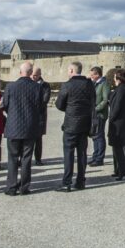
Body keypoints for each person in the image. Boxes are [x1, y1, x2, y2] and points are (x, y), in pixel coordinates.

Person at [0, 61, 46, 196]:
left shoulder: (10, 86)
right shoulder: (37, 88)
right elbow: (41, 107)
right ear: (31, 73)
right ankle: (24, 187)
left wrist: (13, 115)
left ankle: (11, 187)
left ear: (20, 72)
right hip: (30, 127)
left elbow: (5, 105)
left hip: (13, 126)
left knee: (13, 158)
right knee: (27, 158)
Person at [53, 61, 96, 192]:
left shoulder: (67, 85)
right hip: (84, 123)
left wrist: (70, 108)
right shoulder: (89, 84)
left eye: (68, 70)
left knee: (69, 153)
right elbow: (93, 103)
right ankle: (81, 181)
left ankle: (67, 182)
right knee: (82, 153)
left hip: (71, 123)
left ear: (72, 71)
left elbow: (59, 104)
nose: (67, 72)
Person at [87, 66, 109, 167]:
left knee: (99, 135)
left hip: (100, 114)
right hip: (93, 113)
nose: (91, 76)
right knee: (94, 135)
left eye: (92, 75)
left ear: (97, 74)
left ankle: (100, 158)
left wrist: (96, 108)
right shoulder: (94, 83)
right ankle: (95, 156)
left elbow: (105, 100)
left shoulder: (104, 84)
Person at [31, 67, 51, 165]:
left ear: (39, 75)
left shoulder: (45, 86)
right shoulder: (28, 83)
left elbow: (45, 100)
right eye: (32, 75)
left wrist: (32, 105)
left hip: (39, 115)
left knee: (38, 139)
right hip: (29, 115)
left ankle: (38, 159)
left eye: (35, 75)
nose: (33, 77)